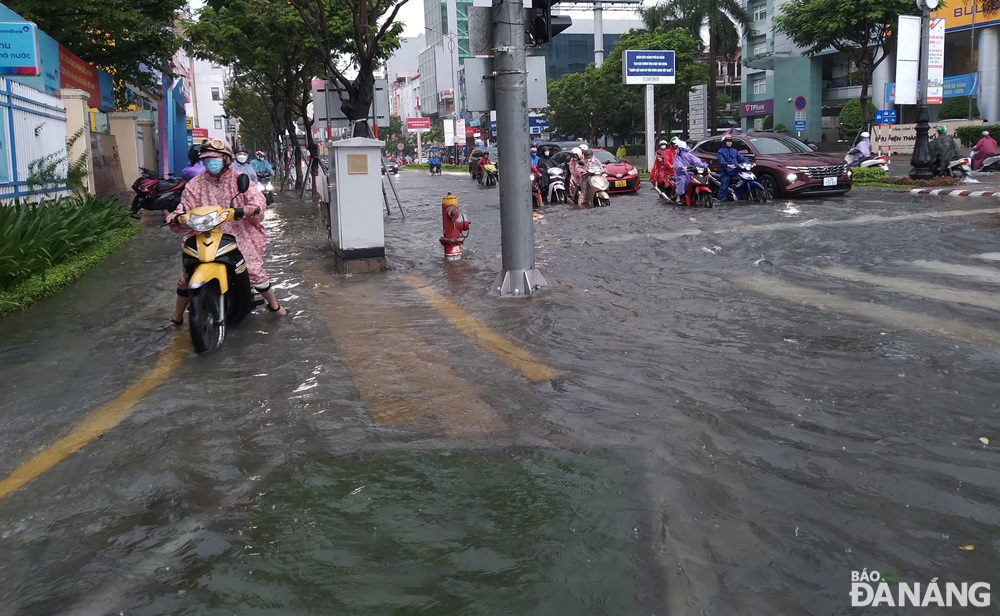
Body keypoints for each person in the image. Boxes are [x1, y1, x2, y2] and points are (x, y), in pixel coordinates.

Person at [166, 139, 285, 324]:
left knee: (253, 269)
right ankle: (177, 317)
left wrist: (251, 207)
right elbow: (184, 206)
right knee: (186, 276)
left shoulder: (239, 179)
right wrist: (176, 215)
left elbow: (257, 199)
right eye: (206, 159)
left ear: (226, 159)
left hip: (235, 231)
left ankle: (275, 306)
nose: (209, 162)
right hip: (202, 233)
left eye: (214, 158)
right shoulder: (194, 184)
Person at [673, 140, 708, 206]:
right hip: (681, 173)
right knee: (682, 180)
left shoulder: (689, 154)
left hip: (690, 172)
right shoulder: (677, 156)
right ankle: (678, 196)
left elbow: (696, 160)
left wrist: (703, 165)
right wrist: (681, 167)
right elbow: (677, 164)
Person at [716, 134, 750, 201]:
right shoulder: (720, 152)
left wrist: (749, 163)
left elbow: (742, 158)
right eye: (728, 141)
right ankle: (720, 201)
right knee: (724, 187)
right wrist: (727, 165)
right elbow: (721, 161)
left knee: (743, 182)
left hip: (736, 172)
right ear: (724, 142)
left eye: (731, 141)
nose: (730, 142)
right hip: (726, 173)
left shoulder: (734, 151)